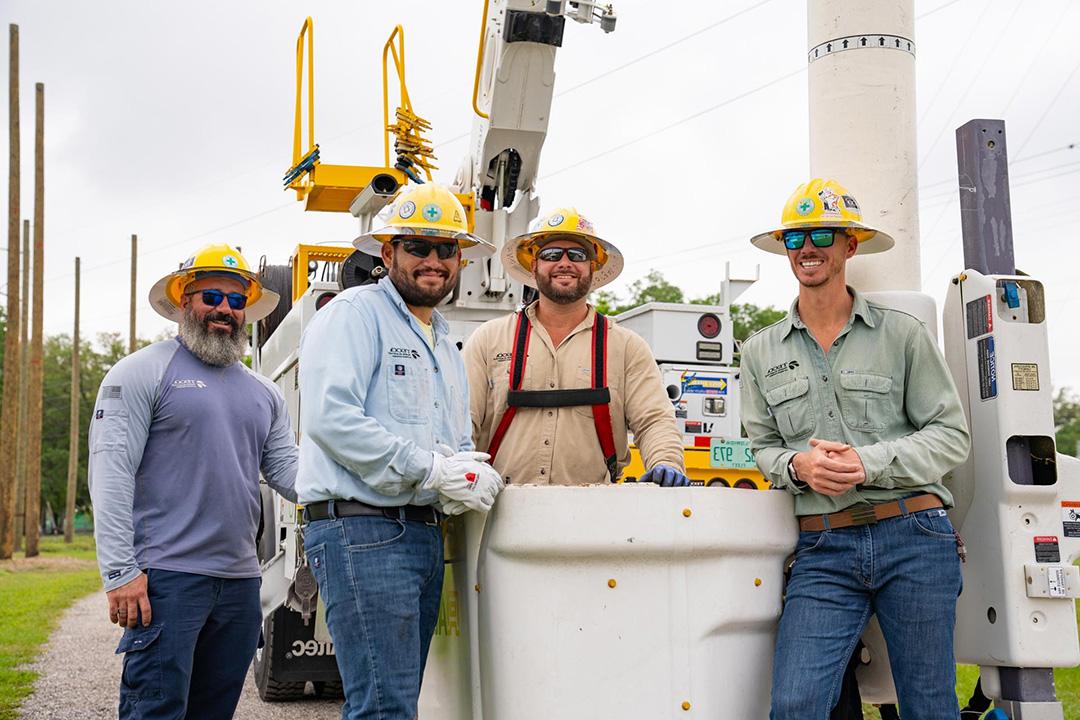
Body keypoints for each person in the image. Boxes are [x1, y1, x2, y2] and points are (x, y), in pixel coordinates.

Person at [739, 178, 971, 719]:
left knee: (929, 706)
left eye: (823, 234)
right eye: (795, 239)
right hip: (824, 548)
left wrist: (867, 462)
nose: (807, 248)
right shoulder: (758, 351)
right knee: (796, 704)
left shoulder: (904, 335)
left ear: (851, 245)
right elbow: (763, 447)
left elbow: (951, 435)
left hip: (913, 534)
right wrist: (797, 466)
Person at [297, 183, 504, 719]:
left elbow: (454, 440)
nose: (433, 260)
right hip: (362, 529)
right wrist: (432, 470)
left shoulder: (443, 342)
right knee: (383, 707)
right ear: (386, 254)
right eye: (417, 247)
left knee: (398, 702)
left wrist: (468, 474)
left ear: (460, 260)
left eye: (445, 250)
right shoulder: (354, 315)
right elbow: (332, 419)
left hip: (418, 531)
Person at [88, 243, 298, 720]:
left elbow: (288, 471)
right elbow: (110, 472)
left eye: (236, 301)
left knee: (214, 712)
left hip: (241, 582)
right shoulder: (142, 372)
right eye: (212, 297)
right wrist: (121, 572)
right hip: (166, 579)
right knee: (155, 710)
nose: (224, 309)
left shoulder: (263, 392)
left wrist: (363, 484)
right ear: (184, 302)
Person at [464, 207, 688, 487]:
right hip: (499, 505)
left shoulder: (626, 348)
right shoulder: (489, 340)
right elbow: (463, 422)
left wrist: (665, 461)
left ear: (593, 267)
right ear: (534, 266)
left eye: (578, 255)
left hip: (591, 512)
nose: (565, 263)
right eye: (551, 255)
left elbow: (655, 419)